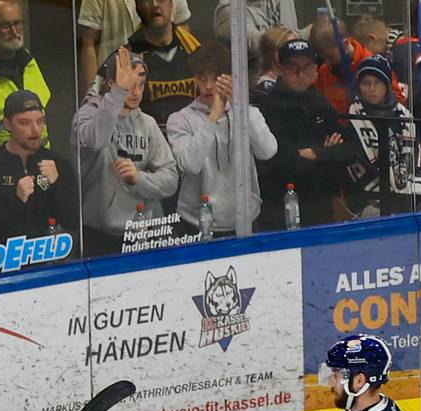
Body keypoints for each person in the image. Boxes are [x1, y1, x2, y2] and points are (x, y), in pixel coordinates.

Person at [71, 49, 180, 256]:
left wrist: (140, 178)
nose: (137, 93)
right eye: (129, 86)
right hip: (99, 234)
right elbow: (96, 140)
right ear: (110, 84)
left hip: (144, 233)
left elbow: (171, 180)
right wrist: (118, 94)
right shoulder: (86, 116)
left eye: (141, 85)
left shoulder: (147, 123)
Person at [165, 45, 278, 237]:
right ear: (194, 79)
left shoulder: (249, 112)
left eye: (215, 78)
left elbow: (268, 151)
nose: (208, 86)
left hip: (245, 220)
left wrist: (239, 106)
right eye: (202, 78)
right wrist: (214, 117)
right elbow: (190, 164)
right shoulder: (180, 119)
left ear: (229, 78)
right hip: (197, 222)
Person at [254, 38, 354, 230]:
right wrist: (325, 154)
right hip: (279, 206)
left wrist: (315, 153)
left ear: (315, 69)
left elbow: (349, 151)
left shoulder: (319, 101)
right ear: (280, 68)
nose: (299, 73)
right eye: (292, 66)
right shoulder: (268, 105)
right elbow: (278, 159)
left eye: (306, 66)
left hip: (319, 204)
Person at [0, 91, 78, 243]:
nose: (35, 130)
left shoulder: (58, 164)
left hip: (48, 253)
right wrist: (16, 201)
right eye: (25, 123)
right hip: (5, 254)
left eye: (40, 121)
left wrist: (57, 185)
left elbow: (73, 222)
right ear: (7, 124)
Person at [343, 55, 421, 218]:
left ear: (387, 86)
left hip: (408, 197)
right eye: (366, 83)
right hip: (368, 201)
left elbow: (417, 160)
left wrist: (414, 197)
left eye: (377, 83)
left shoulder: (404, 116)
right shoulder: (352, 118)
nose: (372, 88)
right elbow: (356, 168)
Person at [0, 0, 54, 145]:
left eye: (17, 23)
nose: (14, 31)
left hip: (41, 155)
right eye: (5, 25)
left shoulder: (27, 59)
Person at [80, 0, 191, 90]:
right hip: (117, 82)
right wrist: (90, 99)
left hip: (167, 82)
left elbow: (181, 28)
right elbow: (89, 43)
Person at [128, 0, 206, 128]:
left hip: (194, 135)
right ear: (138, 7)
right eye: (147, 0)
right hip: (147, 136)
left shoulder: (198, 54)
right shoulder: (125, 60)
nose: (155, 4)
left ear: (171, 5)